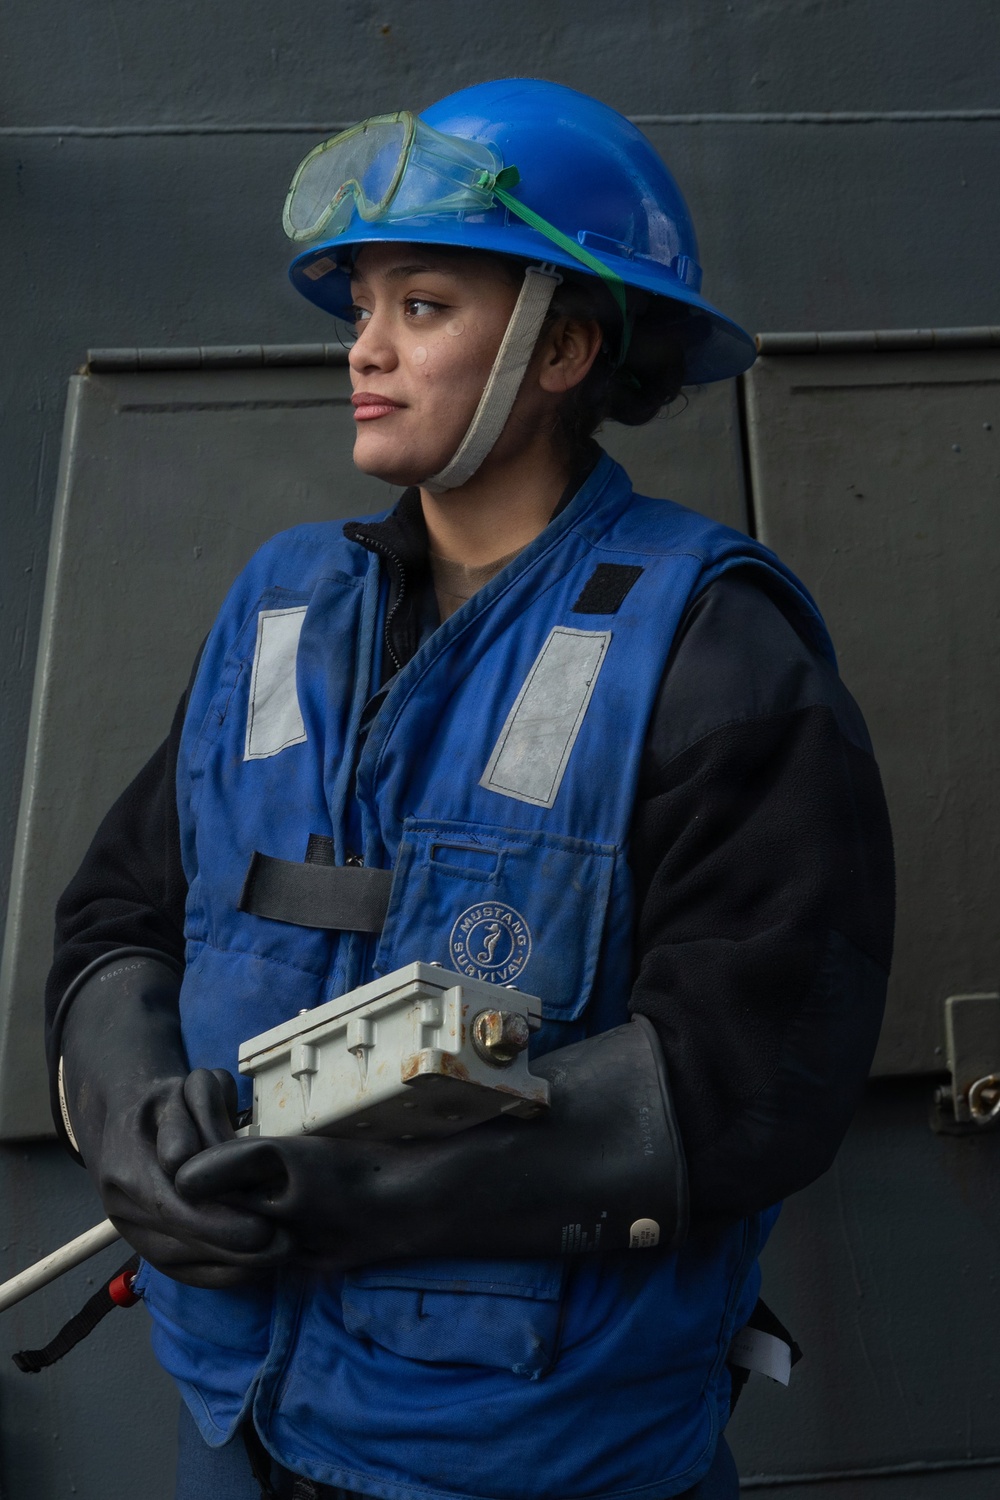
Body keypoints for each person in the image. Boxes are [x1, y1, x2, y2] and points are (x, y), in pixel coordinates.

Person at [46, 79, 894, 1500]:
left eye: (423, 308)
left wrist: (363, 1190)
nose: (364, 351)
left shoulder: (710, 644)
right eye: (363, 305)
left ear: (563, 347)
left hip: (529, 1454)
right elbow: (123, 915)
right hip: (235, 1425)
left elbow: (752, 1078)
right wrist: (133, 1127)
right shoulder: (282, 609)